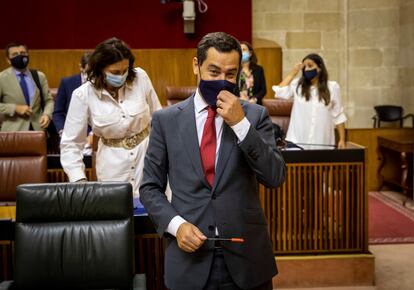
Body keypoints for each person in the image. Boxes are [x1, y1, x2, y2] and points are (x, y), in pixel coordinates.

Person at [140, 32, 286, 290]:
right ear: (196, 66)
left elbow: (274, 177)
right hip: (189, 259)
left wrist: (241, 124)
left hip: (247, 259)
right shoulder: (166, 120)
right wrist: (177, 226)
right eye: (214, 72)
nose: (222, 81)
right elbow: (150, 188)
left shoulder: (255, 115)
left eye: (230, 75)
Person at [60, 37, 162, 198]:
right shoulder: (82, 94)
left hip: (148, 158)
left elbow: (158, 118)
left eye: (125, 70)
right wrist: (79, 180)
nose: (121, 76)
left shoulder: (140, 77)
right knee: (118, 214)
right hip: (112, 167)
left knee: (153, 212)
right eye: (115, 72)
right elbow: (71, 144)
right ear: (100, 69)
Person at [272, 53, 347, 149]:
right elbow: (279, 92)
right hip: (297, 142)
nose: (306, 69)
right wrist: (293, 73)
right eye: (304, 67)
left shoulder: (332, 87)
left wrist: (342, 139)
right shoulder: (298, 85)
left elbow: (338, 115)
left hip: (322, 143)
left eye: (310, 66)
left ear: (319, 68)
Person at [0, 42, 54, 131]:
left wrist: (47, 114)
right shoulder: (2, 78)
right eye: (15, 54)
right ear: (8, 60)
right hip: (13, 132)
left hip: (38, 129)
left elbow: (49, 101)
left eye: (23, 53)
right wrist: (14, 108)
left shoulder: (39, 76)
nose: (19, 56)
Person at [238, 41, 266, 105]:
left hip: (254, 104)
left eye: (244, 50)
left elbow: (263, 90)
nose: (242, 52)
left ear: (250, 53)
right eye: (240, 50)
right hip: (239, 104)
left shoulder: (259, 69)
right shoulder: (235, 69)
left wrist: (254, 99)